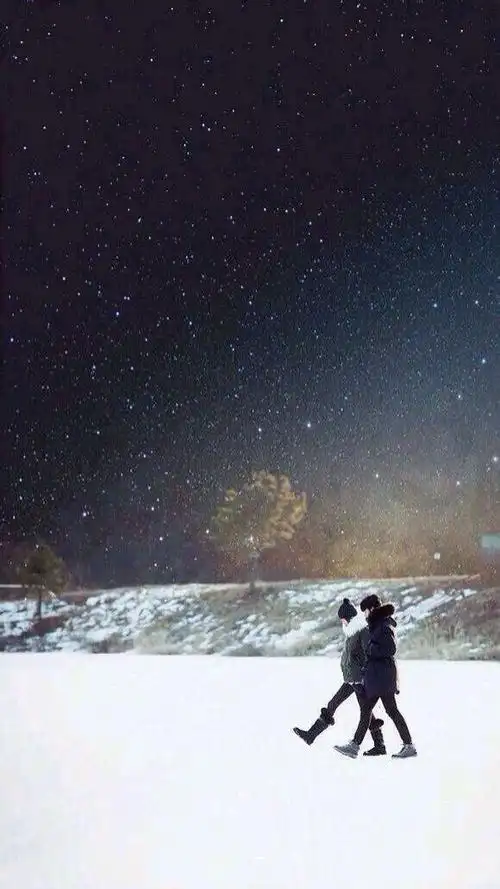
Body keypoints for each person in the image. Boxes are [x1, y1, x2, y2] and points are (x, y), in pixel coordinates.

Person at [293, 598, 386, 756]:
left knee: (364, 711)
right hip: (351, 678)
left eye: (342, 617)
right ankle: (311, 735)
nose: (341, 620)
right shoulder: (351, 630)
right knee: (343, 706)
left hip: (359, 678)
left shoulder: (361, 630)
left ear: (349, 616)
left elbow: (367, 653)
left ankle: (378, 744)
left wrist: (363, 673)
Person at [334, 594, 417, 759]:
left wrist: (370, 650)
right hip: (379, 676)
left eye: (365, 611)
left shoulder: (383, 625)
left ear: (372, 609)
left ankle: (355, 746)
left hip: (383, 676)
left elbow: (390, 649)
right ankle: (407, 745)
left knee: (375, 710)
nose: (364, 614)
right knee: (384, 710)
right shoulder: (377, 624)